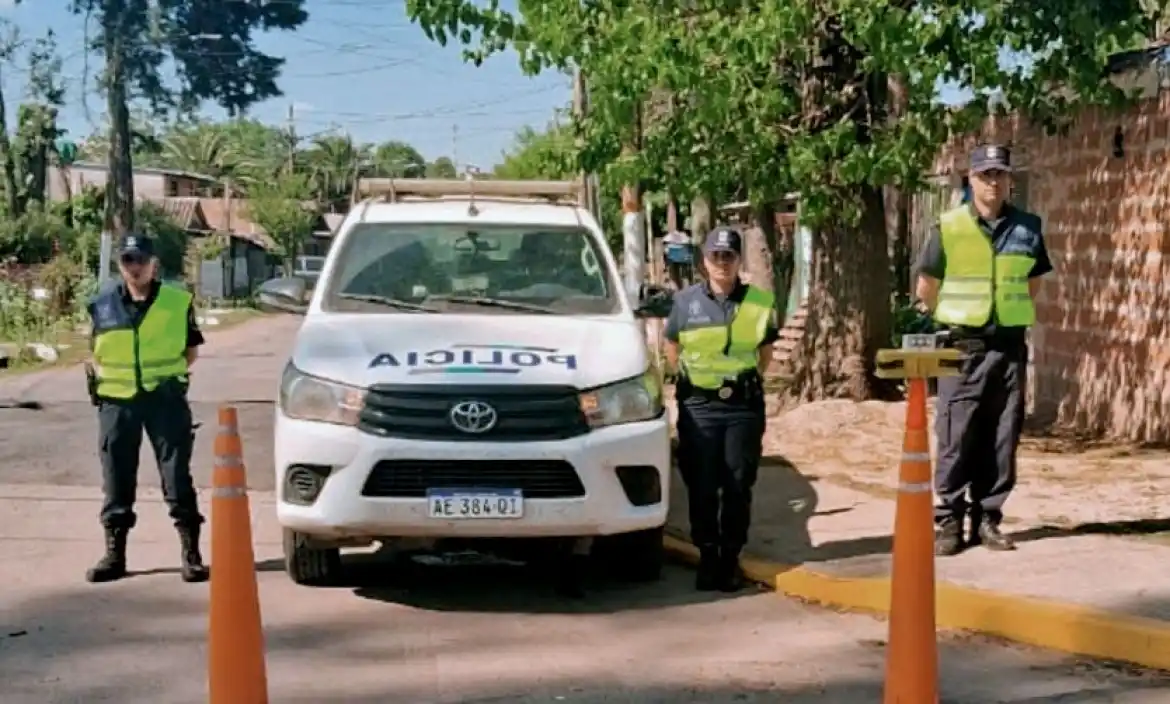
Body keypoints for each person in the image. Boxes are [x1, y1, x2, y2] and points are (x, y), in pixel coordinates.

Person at [914, 143, 1052, 556]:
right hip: (964, 348)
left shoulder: (1028, 227)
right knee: (957, 434)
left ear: (1010, 180)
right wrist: (957, 322)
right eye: (985, 174)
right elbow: (928, 287)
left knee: (1002, 437)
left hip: (1008, 347)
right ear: (969, 179)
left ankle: (988, 519)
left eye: (1000, 174)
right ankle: (949, 521)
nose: (993, 182)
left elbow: (1033, 281)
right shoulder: (949, 226)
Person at [85, 234, 209, 583]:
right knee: (116, 480)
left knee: (176, 477)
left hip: (164, 400)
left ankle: (191, 553)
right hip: (117, 402)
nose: (134, 267)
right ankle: (114, 555)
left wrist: (166, 378)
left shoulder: (176, 301)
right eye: (127, 260)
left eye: (140, 259)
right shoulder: (102, 303)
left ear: (154, 263)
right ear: (119, 264)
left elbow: (190, 351)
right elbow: (95, 350)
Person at [664, 227, 779, 591]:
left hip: (742, 407)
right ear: (704, 261)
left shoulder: (758, 301)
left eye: (729, 256)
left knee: (737, 483)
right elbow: (672, 347)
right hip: (699, 407)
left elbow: (764, 354)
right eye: (716, 256)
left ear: (738, 260)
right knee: (701, 485)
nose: (723, 263)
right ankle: (708, 556)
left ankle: (730, 558)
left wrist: (738, 381)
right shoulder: (685, 302)